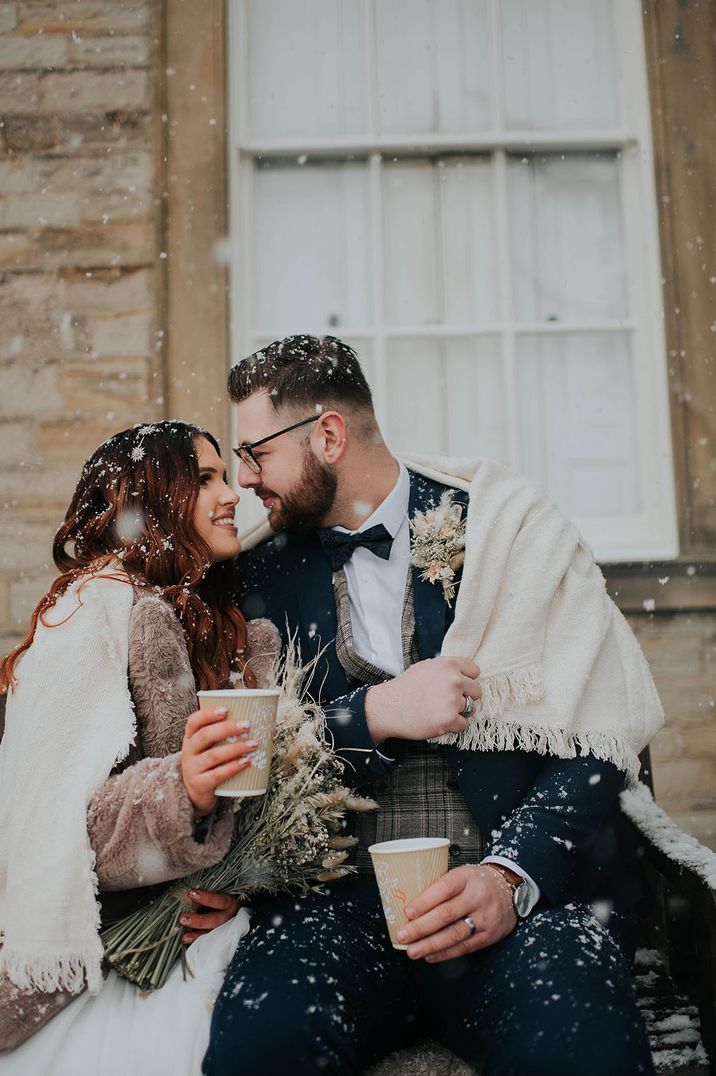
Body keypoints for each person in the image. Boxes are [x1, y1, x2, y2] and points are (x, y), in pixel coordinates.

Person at [204, 335, 660, 1076]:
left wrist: (510, 878)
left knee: (588, 1052)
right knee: (262, 1048)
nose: (247, 480)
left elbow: (596, 736)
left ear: (328, 435)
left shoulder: (506, 531)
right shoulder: (259, 573)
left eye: (256, 454)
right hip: (332, 913)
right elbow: (246, 757)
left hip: (517, 910)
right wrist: (372, 713)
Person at [0, 421, 280, 1073]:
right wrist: (184, 791)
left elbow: (255, 818)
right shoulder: (90, 618)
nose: (233, 492)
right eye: (205, 478)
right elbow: (62, 830)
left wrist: (238, 884)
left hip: (186, 934)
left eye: (226, 474)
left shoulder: (219, 623)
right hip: (96, 959)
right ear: (151, 497)